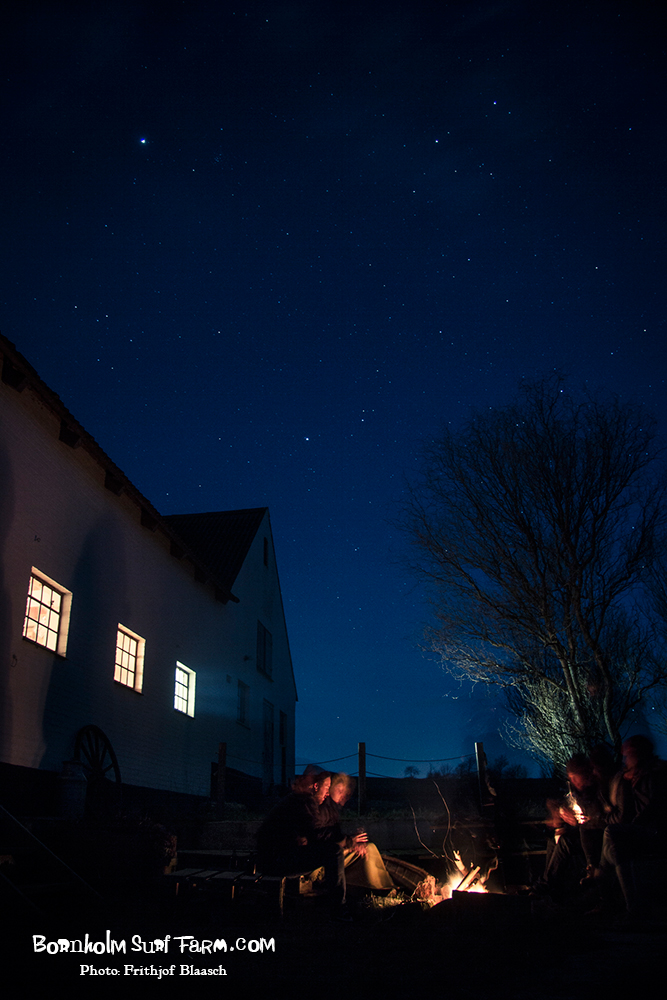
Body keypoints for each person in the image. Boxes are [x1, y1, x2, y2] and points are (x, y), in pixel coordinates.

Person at [256, 769, 347, 914]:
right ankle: (338, 909)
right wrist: (345, 840)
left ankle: (331, 902)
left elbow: (309, 833)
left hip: (275, 857)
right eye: (326, 787)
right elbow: (315, 834)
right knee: (334, 851)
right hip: (276, 861)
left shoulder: (298, 800)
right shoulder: (304, 801)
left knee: (329, 849)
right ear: (316, 786)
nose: (328, 793)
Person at [598, 735, 667, 916]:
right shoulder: (632, 776)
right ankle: (608, 901)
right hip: (644, 829)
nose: (624, 760)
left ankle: (632, 907)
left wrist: (632, 827)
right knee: (612, 847)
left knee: (612, 832)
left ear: (637, 754)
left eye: (627, 755)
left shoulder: (656, 774)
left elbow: (653, 808)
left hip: (656, 831)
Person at [317, 772, 395, 890]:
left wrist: (353, 839)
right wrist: (350, 842)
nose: (344, 796)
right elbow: (324, 836)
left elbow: (333, 834)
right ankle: (378, 887)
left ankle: (383, 885)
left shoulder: (333, 809)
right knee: (368, 850)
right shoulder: (324, 808)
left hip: (333, 849)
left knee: (368, 848)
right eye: (340, 791)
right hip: (326, 854)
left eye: (348, 794)